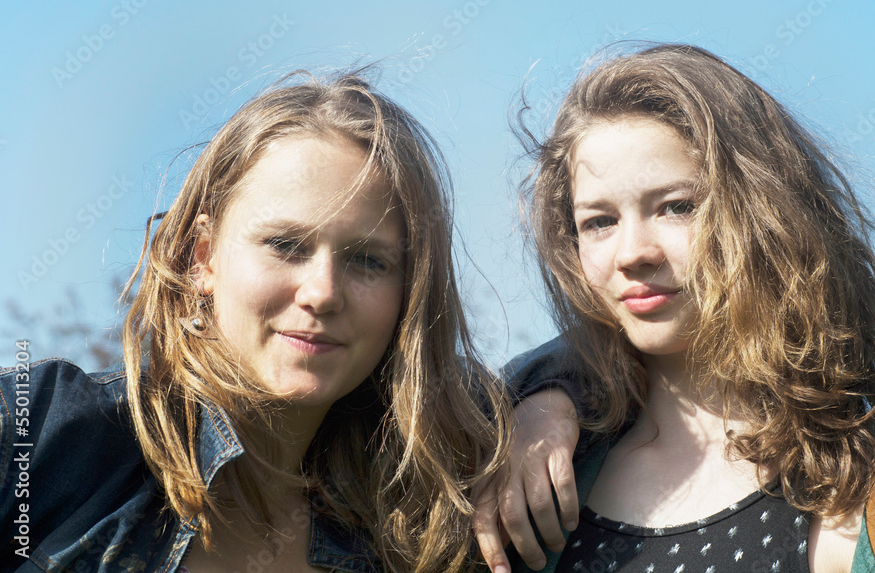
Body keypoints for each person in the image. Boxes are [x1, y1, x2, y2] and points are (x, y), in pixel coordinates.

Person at [474, 44, 875, 572]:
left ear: (765, 213)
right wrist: (535, 396)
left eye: (677, 207)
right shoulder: (520, 467)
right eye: (599, 222)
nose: (632, 252)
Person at [0, 70, 508, 572]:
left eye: (368, 260)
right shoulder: (41, 433)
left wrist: (551, 402)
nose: (323, 293)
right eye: (285, 246)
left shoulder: (427, 520)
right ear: (203, 257)